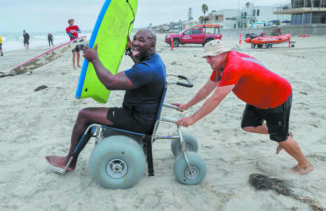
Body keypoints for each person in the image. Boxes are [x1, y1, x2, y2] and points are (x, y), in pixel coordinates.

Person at [174, 39, 313, 175]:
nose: (207, 61)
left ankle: (304, 165)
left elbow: (216, 98)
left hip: (276, 97)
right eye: (206, 57)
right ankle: (286, 134)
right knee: (248, 125)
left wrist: (193, 118)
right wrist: (187, 105)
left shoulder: (233, 66)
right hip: (258, 98)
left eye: (210, 57)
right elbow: (206, 89)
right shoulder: (220, 66)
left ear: (222, 53)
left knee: (280, 137)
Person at [46, 29, 166, 171]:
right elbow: (139, 66)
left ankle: (69, 161)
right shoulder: (155, 60)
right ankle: (71, 159)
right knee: (90, 113)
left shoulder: (146, 70)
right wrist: (129, 52)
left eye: (141, 40)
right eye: (134, 39)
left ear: (152, 45)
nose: (135, 43)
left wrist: (94, 59)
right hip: (143, 116)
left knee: (84, 114)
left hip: (137, 120)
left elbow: (110, 83)